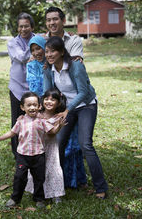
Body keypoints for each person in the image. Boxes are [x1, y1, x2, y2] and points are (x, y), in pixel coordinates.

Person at [43, 36, 108, 199]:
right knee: (57, 143)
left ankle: (101, 187)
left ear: (62, 52)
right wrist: (42, 109)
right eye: (47, 51)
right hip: (67, 109)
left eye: (53, 51)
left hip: (86, 105)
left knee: (85, 144)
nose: (49, 55)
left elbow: (84, 92)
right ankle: (57, 184)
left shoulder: (75, 66)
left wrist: (67, 110)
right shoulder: (48, 69)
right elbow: (47, 92)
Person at [26, 34, 87, 190]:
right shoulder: (38, 66)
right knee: (52, 145)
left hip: (65, 106)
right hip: (46, 106)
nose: (37, 52)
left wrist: (63, 108)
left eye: (39, 48)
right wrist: (40, 107)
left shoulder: (65, 65)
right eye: (33, 50)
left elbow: (80, 90)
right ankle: (48, 182)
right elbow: (43, 90)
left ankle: (71, 180)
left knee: (74, 145)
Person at [0, 92, 66, 208]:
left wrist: (59, 126)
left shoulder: (42, 122)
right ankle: (15, 199)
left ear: (39, 107)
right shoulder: (20, 121)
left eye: (35, 105)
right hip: (23, 156)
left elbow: (51, 132)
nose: (32, 107)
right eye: (29, 105)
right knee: (19, 177)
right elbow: (12, 132)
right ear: (22, 108)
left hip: (38, 155)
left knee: (39, 179)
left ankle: (39, 199)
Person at [26, 89, 66, 203]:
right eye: (46, 99)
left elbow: (52, 132)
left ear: (58, 103)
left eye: (53, 100)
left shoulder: (58, 117)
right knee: (37, 169)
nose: (49, 102)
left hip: (51, 147)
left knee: (53, 169)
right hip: (37, 146)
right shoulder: (37, 114)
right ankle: (39, 193)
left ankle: (56, 193)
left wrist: (59, 126)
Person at [7, 12, 35, 156]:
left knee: (35, 120)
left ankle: (34, 149)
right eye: (20, 26)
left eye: (26, 26)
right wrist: (36, 47)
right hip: (17, 87)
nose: (23, 29)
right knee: (17, 120)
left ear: (32, 26)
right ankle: (17, 153)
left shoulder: (38, 39)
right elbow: (21, 57)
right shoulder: (12, 43)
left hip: (35, 87)